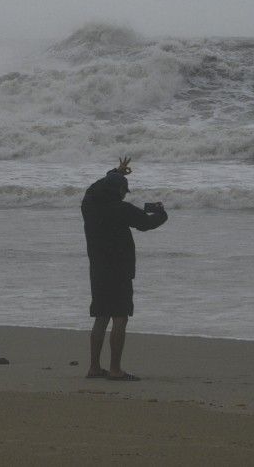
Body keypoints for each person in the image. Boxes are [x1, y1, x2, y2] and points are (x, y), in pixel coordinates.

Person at [82, 156, 168, 381]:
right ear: (120, 190)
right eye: (124, 189)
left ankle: (93, 367)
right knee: (120, 316)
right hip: (119, 270)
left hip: (98, 269)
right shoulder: (121, 209)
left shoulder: (88, 204)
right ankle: (115, 369)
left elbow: (95, 187)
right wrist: (161, 214)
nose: (124, 194)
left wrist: (115, 172)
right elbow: (147, 224)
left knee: (101, 317)